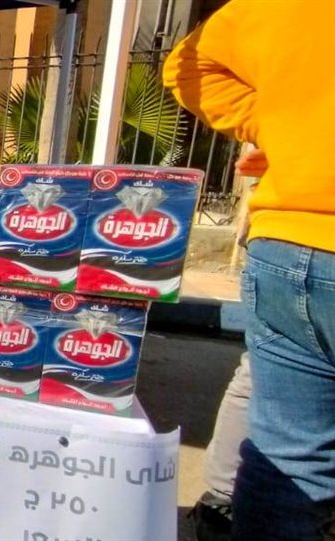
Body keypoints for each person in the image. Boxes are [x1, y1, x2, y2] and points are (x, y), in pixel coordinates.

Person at [164, 2, 335, 540]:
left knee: (286, 457)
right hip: (289, 244)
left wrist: (287, 129)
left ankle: (223, 506)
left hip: (288, 242)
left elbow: (186, 66)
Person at [189, 149, 264, 541]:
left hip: (282, 232)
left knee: (259, 371)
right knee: (259, 372)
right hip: (286, 231)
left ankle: (221, 500)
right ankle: (223, 500)